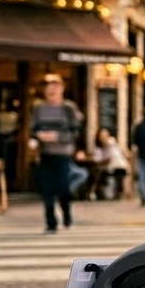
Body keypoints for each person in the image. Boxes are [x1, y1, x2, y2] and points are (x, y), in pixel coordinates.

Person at [31, 74, 83, 233]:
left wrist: (58, 136)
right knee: (47, 189)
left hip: (63, 153)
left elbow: (76, 131)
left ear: (61, 89)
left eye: (55, 87)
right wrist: (36, 138)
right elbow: (33, 129)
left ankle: (66, 213)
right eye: (48, 87)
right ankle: (51, 222)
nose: (51, 90)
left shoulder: (68, 108)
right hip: (45, 154)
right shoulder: (39, 108)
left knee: (63, 187)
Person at [92, 128, 129, 200]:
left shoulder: (110, 143)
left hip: (116, 166)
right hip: (116, 166)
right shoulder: (105, 145)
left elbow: (109, 157)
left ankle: (115, 193)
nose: (103, 137)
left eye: (105, 135)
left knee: (115, 179)